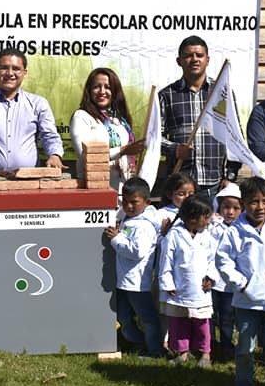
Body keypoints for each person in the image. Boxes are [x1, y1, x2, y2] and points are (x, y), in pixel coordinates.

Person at [214, 177, 265, 386]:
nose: (260, 207)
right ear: (244, 203)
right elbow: (223, 260)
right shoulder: (235, 231)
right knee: (246, 347)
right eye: (254, 202)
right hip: (246, 301)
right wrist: (241, 283)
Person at [0, 48, 64, 179]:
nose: (10, 73)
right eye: (4, 68)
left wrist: (55, 155)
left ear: (24, 72)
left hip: (29, 179)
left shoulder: (38, 104)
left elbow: (49, 136)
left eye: (16, 68)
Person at [158, 36, 238, 200]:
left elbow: (235, 137)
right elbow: (154, 138)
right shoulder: (167, 95)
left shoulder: (222, 93)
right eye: (188, 56)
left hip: (213, 185)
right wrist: (175, 149)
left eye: (199, 55)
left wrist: (230, 176)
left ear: (207, 60)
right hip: (179, 187)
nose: (194, 59)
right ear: (179, 61)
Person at [104, 177, 163, 359]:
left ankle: (155, 350)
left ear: (146, 202)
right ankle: (138, 342)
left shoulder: (144, 225)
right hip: (125, 280)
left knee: (147, 318)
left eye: (134, 202)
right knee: (123, 317)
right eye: (125, 202)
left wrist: (116, 239)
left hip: (138, 283)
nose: (129, 206)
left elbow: (137, 251)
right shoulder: (129, 218)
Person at [160, 195, 215, 367]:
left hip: (201, 289)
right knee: (179, 321)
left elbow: (213, 260)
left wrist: (211, 277)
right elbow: (166, 261)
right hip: (179, 287)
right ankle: (182, 352)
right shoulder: (174, 235)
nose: (208, 222)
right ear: (192, 218)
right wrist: (168, 283)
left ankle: (205, 354)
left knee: (202, 323)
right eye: (205, 218)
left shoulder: (207, 237)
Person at [70, 68, 144, 192]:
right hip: (95, 189)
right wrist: (123, 150)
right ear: (89, 90)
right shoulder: (81, 116)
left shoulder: (119, 118)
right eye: (97, 87)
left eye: (108, 87)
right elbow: (85, 155)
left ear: (115, 91)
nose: (102, 91)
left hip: (123, 190)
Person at [209, 183, 242, 359]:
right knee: (211, 314)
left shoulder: (242, 229)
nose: (230, 212)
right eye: (226, 207)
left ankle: (227, 344)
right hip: (213, 281)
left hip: (230, 284)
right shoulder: (213, 227)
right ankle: (211, 344)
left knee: (228, 317)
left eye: (235, 208)